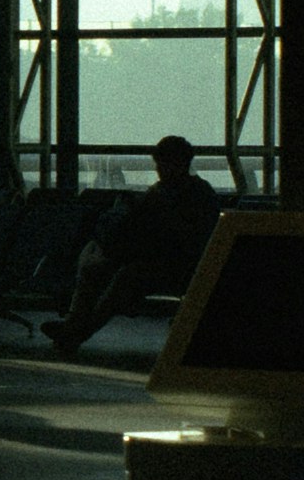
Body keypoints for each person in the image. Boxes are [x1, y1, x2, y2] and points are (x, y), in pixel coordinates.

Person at [47, 131, 223, 359]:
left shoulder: (196, 195)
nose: (160, 171)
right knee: (96, 268)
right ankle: (74, 328)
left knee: (125, 276)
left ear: (180, 165)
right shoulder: (167, 192)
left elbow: (190, 241)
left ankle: (77, 333)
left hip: (178, 265)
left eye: (163, 165)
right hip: (153, 259)